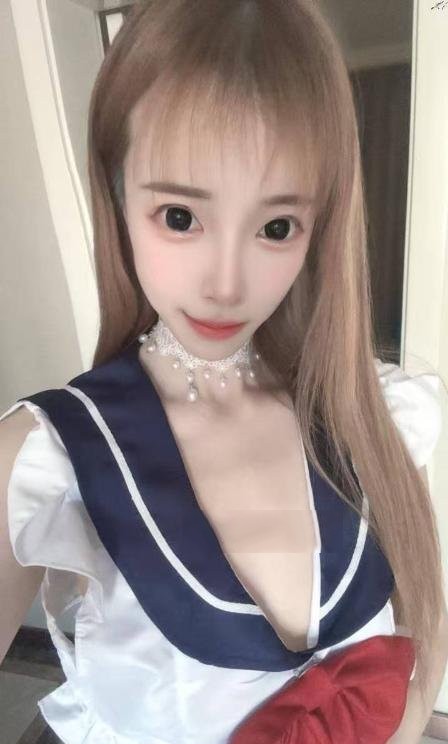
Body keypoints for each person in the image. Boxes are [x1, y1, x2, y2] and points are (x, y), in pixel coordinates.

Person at [0, 1, 446, 742]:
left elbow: (422, 642)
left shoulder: (379, 415)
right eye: (180, 216)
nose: (227, 284)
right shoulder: (46, 459)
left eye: (276, 227)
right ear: (116, 193)